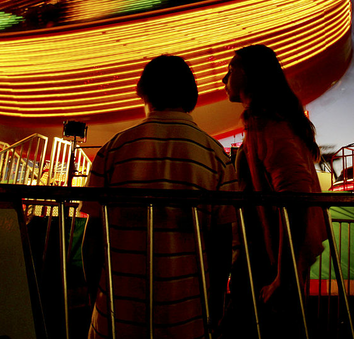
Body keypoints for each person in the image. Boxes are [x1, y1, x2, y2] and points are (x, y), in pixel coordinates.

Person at [79, 55, 237, 339]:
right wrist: (213, 306)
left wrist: (97, 299)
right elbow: (221, 245)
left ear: (142, 90)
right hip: (186, 319)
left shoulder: (113, 150)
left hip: (116, 318)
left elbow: (91, 242)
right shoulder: (215, 157)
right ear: (192, 95)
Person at [219, 44, 327, 337]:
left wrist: (283, 274)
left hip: (264, 260)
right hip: (265, 256)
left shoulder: (268, 126)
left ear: (248, 74)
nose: (222, 78)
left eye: (230, 68)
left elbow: (295, 195)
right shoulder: (270, 122)